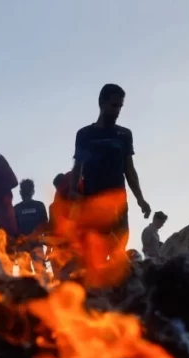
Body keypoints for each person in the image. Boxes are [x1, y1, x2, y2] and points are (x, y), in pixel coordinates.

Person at [67, 84, 152, 285]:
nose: (117, 111)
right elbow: (77, 166)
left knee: (118, 252)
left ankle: (118, 297)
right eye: (114, 105)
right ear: (101, 103)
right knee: (94, 253)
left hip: (118, 203)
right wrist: (72, 191)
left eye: (120, 107)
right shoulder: (85, 135)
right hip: (92, 202)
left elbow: (129, 169)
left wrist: (141, 199)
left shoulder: (124, 135)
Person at [14, 179, 50, 274]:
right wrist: (21, 239)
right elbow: (14, 227)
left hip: (37, 244)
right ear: (21, 192)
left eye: (27, 189)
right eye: (24, 190)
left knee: (41, 273)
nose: (25, 192)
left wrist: (33, 236)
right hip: (22, 246)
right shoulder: (16, 208)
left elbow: (45, 224)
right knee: (25, 274)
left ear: (32, 191)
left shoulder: (39, 205)